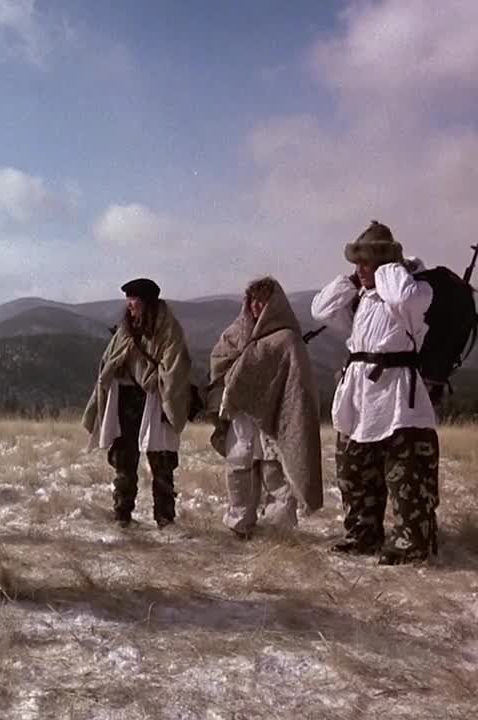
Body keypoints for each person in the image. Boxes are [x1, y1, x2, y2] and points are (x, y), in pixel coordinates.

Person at [311, 220, 439, 565]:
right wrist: (355, 280)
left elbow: (401, 296)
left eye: (365, 262)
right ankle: (362, 534)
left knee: (406, 474)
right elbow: (320, 309)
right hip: (359, 397)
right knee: (355, 471)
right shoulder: (363, 299)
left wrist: (388, 268)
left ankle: (412, 543)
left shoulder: (416, 292)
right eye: (357, 263)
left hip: (398, 399)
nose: (359, 269)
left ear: (384, 263)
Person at [209, 277, 323, 539]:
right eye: (253, 300)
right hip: (242, 415)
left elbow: (297, 385)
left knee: (275, 474)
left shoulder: (287, 339)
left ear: (274, 304)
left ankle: (277, 532)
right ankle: (240, 525)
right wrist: (239, 372)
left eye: (263, 301)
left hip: (274, 415)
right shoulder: (236, 333)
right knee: (239, 469)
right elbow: (219, 361)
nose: (256, 306)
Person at [83, 278, 192, 528]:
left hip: (156, 401)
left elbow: (176, 367)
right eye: (128, 300)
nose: (130, 305)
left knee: (162, 461)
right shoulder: (125, 329)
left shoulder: (168, 330)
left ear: (147, 302)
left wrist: (154, 380)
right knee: (124, 460)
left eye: (134, 300)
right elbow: (109, 361)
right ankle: (122, 514)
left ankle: (165, 517)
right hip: (125, 400)